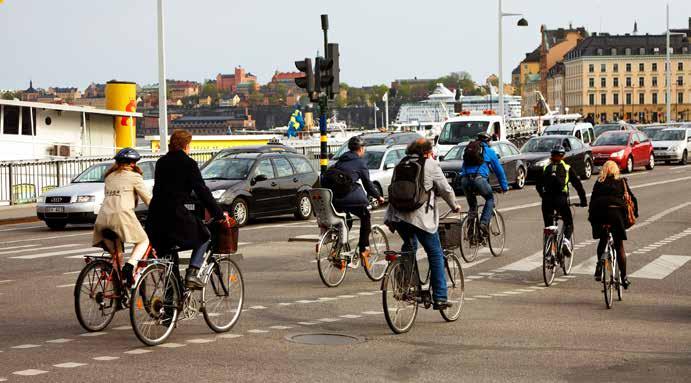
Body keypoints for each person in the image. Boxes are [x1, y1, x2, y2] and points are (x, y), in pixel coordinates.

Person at [385, 138, 461, 309]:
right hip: (421, 219)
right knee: (434, 252)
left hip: (400, 217)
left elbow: (393, 191)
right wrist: (454, 205)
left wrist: (389, 218)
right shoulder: (430, 164)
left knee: (409, 246)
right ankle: (440, 297)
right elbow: (445, 189)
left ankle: (406, 287)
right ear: (427, 151)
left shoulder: (400, 164)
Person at [145, 130, 225, 289]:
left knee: (169, 260)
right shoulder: (189, 163)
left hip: (155, 216)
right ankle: (192, 273)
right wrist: (218, 213)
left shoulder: (161, 163)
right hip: (174, 215)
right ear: (186, 145)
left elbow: (167, 189)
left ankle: (170, 308)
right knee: (204, 236)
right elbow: (202, 190)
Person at [92, 148, 152, 286]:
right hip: (121, 217)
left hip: (102, 220)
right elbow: (149, 200)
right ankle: (130, 266)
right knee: (144, 241)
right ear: (132, 164)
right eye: (134, 162)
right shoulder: (135, 177)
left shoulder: (109, 177)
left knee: (117, 256)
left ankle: (119, 292)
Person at [330, 136, 385, 266]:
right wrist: (378, 196)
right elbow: (368, 185)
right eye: (364, 148)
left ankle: (336, 250)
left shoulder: (340, 161)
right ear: (361, 149)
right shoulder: (360, 163)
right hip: (349, 197)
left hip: (335, 199)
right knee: (365, 215)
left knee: (346, 222)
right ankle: (363, 248)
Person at [589, 160, 637, 288]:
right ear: (616, 170)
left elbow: (592, 200)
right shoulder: (621, 182)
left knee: (602, 241)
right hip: (616, 215)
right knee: (619, 246)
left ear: (603, 170)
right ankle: (624, 277)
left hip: (600, 214)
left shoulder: (598, 182)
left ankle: (599, 267)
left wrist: (592, 217)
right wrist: (634, 215)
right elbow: (632, 199)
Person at [535, 145, 587, 254]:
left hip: (547, 201)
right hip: (561, 199)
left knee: (549, 226)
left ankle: (549, 251)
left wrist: (543, 195)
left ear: (551, 156)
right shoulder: (567, 168)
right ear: (563, 156)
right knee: (568, 222)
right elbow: (578, 185)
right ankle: (566, 241)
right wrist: (583, 201)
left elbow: (538, 186)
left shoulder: (545, 168)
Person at [460, 132, 509, 235]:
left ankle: (470, 233)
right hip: (479, 180)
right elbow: (499, 171)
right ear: (487, 141)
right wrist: (504, 187)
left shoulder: (469, 150)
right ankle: (483, 222)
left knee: (473, 207)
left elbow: (463, 167)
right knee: (490, 198)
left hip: (464, 180)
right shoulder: (489, 151)